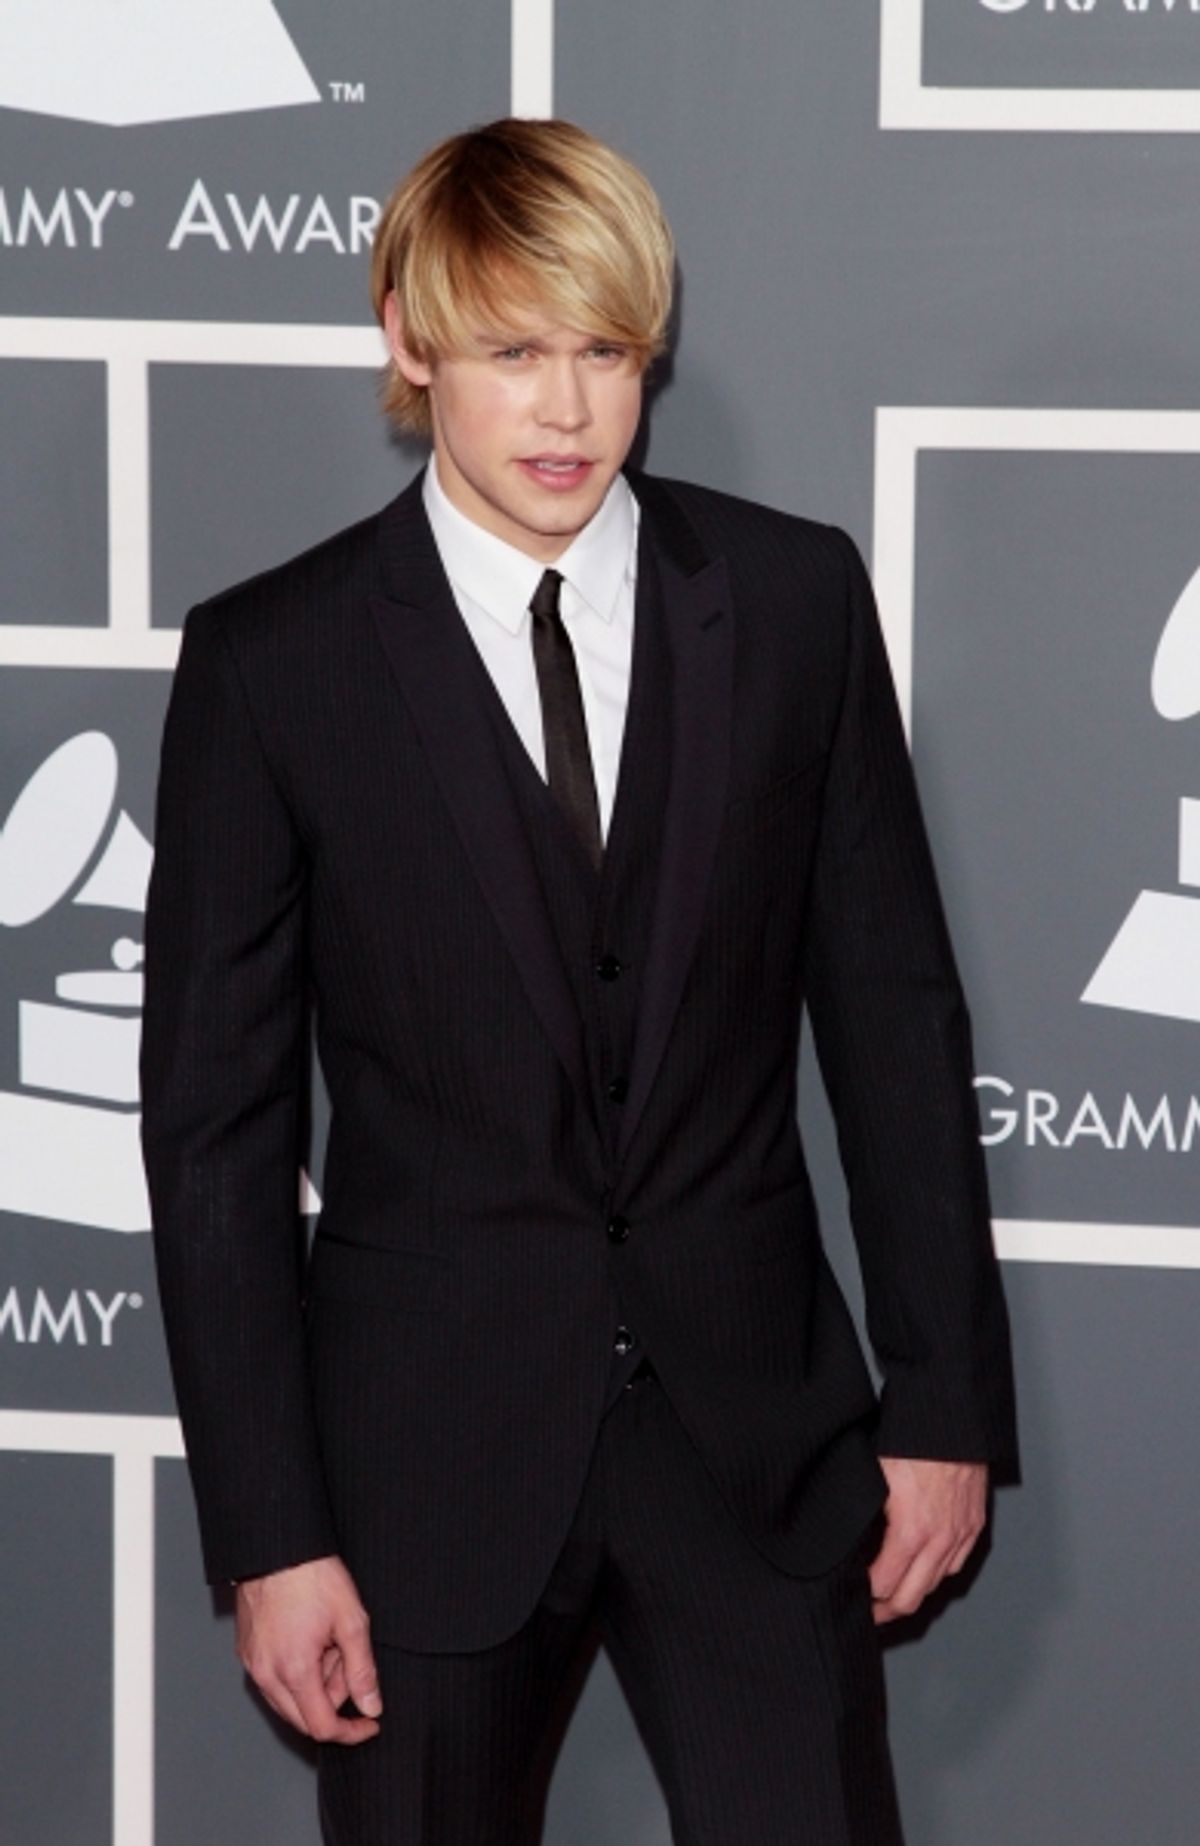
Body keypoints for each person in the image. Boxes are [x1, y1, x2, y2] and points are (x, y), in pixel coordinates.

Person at [140, 116, 1018, 1845]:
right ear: (406, 336)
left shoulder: (791, 603)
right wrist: (269, 1528)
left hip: (758, 1443)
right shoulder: (274, 661)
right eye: (512, 351)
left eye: (605, 351)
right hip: (416, 1473)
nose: (564, 409)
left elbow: (896, 1026)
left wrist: (946, 1405)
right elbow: (215, 1136)